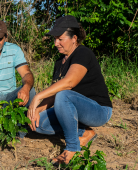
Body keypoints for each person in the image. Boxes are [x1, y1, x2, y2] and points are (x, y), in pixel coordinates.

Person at [27, 15, 113, 165]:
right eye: (55, 39)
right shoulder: (60, 61)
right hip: (71, 106)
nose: (56, 43)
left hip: (98, 110)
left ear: (74, 38)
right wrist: (36, 111)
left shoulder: (83, 53)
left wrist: (36, 97)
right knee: (38, 125)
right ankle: (85, 133)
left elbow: (69, 83)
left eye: (60, 39)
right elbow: (53, 95)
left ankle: (73, 147)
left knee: (63, 95)